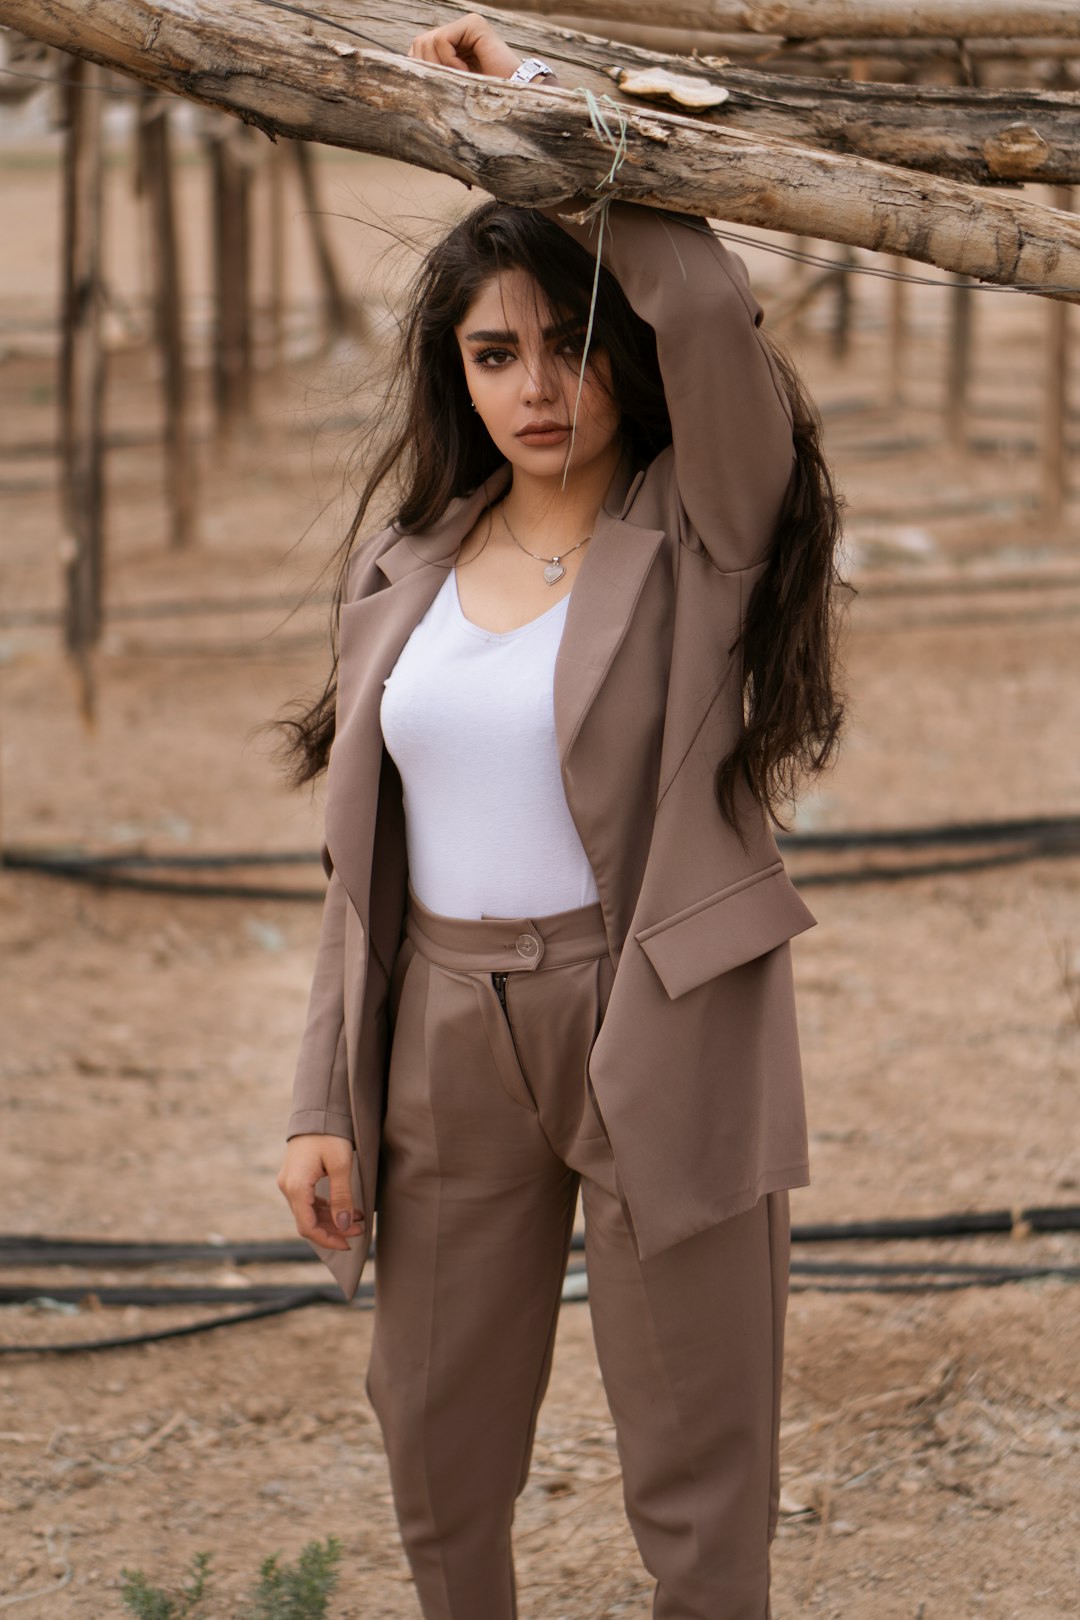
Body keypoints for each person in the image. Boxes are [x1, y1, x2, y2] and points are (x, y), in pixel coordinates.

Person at [276, 15, 845, 1619]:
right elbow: (355, 870)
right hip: (444, 1030)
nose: (541, 386)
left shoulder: (701, 536)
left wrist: (549, 107)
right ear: (455, 372)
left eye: (576, 343)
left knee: (697, 1455)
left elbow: (714, 305)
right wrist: (325, 1094)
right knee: (437, 1444)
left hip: (651, 1007)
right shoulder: (405, 570)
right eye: (496, 352)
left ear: (629, 359)